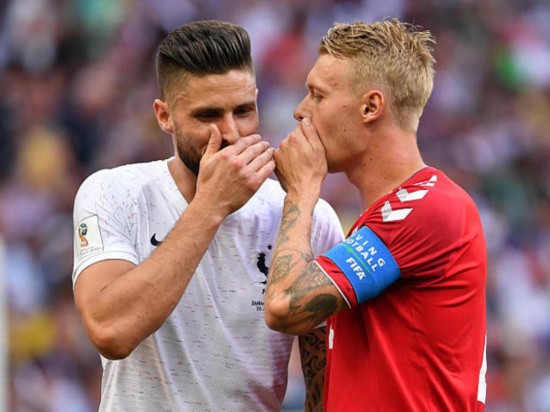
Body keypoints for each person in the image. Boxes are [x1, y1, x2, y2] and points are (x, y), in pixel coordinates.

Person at [71, 20, 344, 411]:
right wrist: (210, 206)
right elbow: (110, 331)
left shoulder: (306, 217)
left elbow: (328, 386)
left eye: (244, 111)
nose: (232, 133)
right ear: (164, 116)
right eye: (208, 116)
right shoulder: (114, 193)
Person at [264, 19, 487, 411]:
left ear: (370, 107)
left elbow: (283, 305)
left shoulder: (430, 206)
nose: (301, 111)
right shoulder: (380, 223)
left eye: (318, 95)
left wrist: (301, 190)